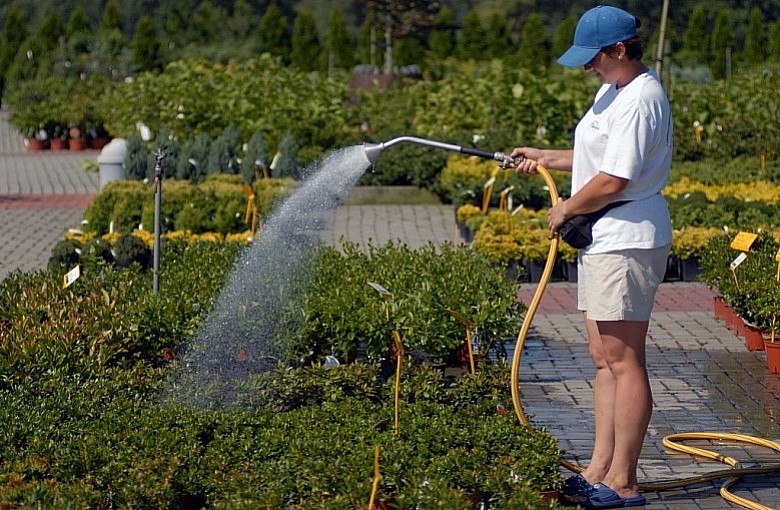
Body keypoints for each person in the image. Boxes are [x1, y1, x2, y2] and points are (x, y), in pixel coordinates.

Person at [511, 5, 672, 509]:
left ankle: (623, 481)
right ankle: (597, 467)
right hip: (606, 239)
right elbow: (597, 159)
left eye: (593, 58)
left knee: (625, 362)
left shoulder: (641, 99)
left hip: (626, 238)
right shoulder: (614, 91)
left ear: (620, 50)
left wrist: (564, 209)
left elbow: (614, 180)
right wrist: (543, 155)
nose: (587, 68)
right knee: (604, 360)